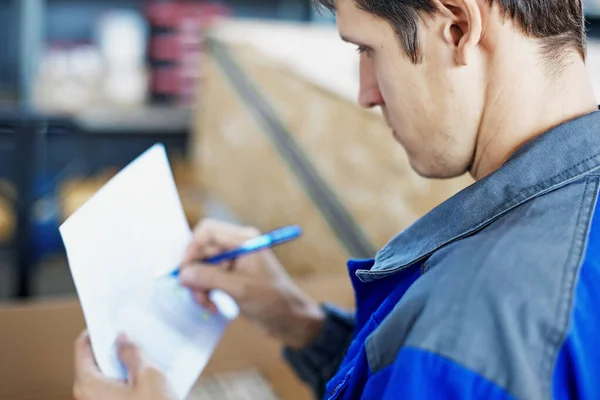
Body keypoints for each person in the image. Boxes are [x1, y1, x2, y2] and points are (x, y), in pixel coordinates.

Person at [73, 0, 600, 399]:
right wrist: (301, 323)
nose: (366, 93)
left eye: (368, 50)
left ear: (458, 26)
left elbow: (447, 362)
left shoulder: (468, 326)